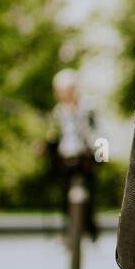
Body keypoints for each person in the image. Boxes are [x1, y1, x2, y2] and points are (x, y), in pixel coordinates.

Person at [48, 68, 98, 244]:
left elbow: (95, 133)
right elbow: (55, 134)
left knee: (88, 197)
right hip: (65, 157)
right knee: (65, 197)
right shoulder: (59, 111)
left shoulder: (87, 108)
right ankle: (67, 233)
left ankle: (90, 233)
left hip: (83, 157)